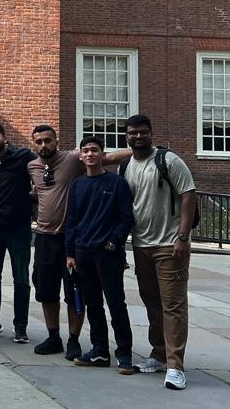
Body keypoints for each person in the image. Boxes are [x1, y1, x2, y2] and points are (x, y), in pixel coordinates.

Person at [122, 115, 197, 390]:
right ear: (126, 137)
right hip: (141, 245)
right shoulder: (127, 165)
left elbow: (188, 195)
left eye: (142, 132)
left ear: (152, 134)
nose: (138, 137)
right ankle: (159, 353)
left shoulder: (169, 161)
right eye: (132, 133)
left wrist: (183, 237)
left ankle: (176, 365)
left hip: (169, 244)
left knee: (173, 305)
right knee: (152, 302)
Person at [64, 136, 136, 375]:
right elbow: (72, 220)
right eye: (86, 151)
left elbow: (126, 217)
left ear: (102, 155)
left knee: (116, 304)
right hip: (83, 254)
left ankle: (124, 354)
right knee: (93, 304)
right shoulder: (77, 184)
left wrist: (114, 242)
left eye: (95, 150)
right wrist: (70, 253)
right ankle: (100, 351)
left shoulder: (116, 183)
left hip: (107, 254)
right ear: (81, 156)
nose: (90, 154)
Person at [27, 125, 87, 359]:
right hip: (44, 237)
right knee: (45, 290)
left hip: (71, 238)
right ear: (34, 144)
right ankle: (54, 337)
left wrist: (147, 149)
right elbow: (35, 193)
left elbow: (107, 157)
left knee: (74, 289)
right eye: (39, 141)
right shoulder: (32, 166)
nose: (44, 145)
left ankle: (74, 339)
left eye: (48, 140)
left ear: (56, 141)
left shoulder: (73, 159)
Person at [0, 122, 38, 343]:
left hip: (18, 227)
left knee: (21, 278)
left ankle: (20, 326)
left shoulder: (22, 156)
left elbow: (42, 172)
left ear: (4, 137)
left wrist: (33, 196)